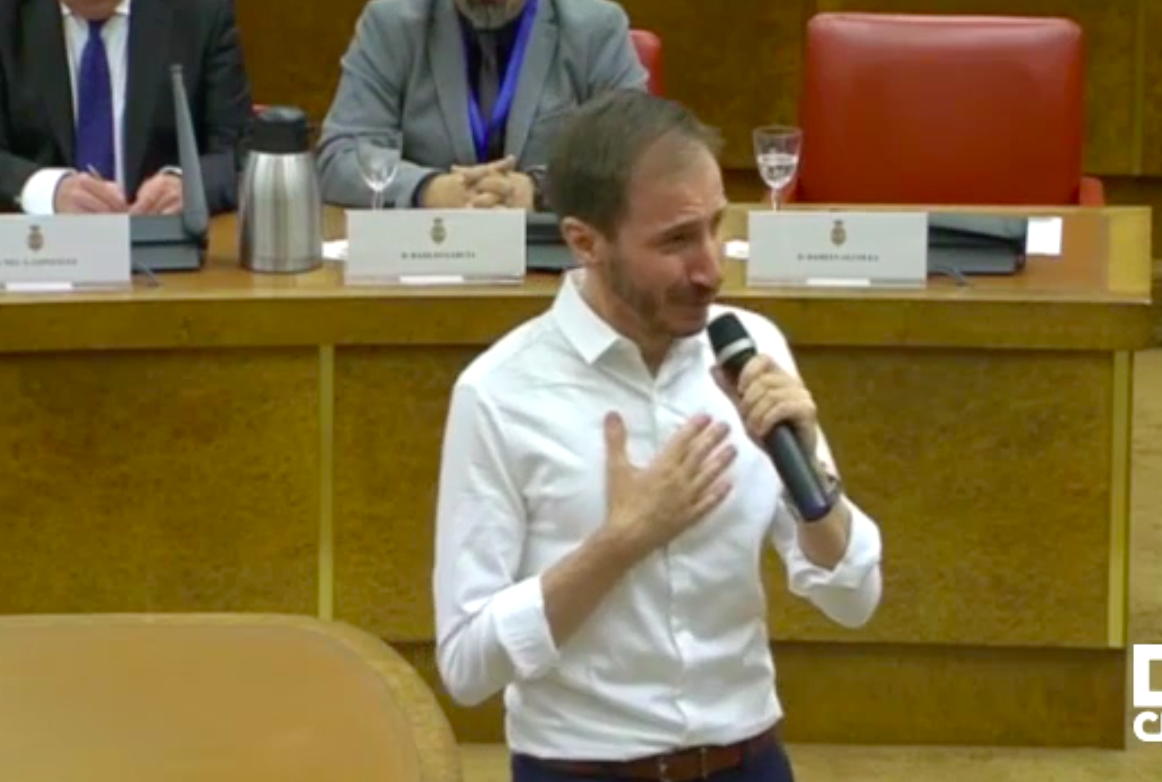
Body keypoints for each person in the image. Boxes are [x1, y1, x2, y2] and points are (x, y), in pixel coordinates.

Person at [432, 90, 884, 782]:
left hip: (749, 760)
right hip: (581, 770)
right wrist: (621, 543)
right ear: (586, 242)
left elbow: (854, 599)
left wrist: (811, 479)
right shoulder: (498, 394)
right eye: (676, 241)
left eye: (715, 227)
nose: (711, 269)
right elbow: (466, 666)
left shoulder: (751, 350)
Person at [315, 0, 648, 212]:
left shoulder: (596, 26)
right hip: (429, 259)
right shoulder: (392, 22)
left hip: (554, 264)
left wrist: (539, 192)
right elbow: (340, 157)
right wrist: (430, 190)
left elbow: (636, 155)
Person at [0, 0, 253, 216]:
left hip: (166, 251)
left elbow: (240, 154)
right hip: (38, 254)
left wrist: (189, 186)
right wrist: (48, 191)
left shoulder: (201, 12)